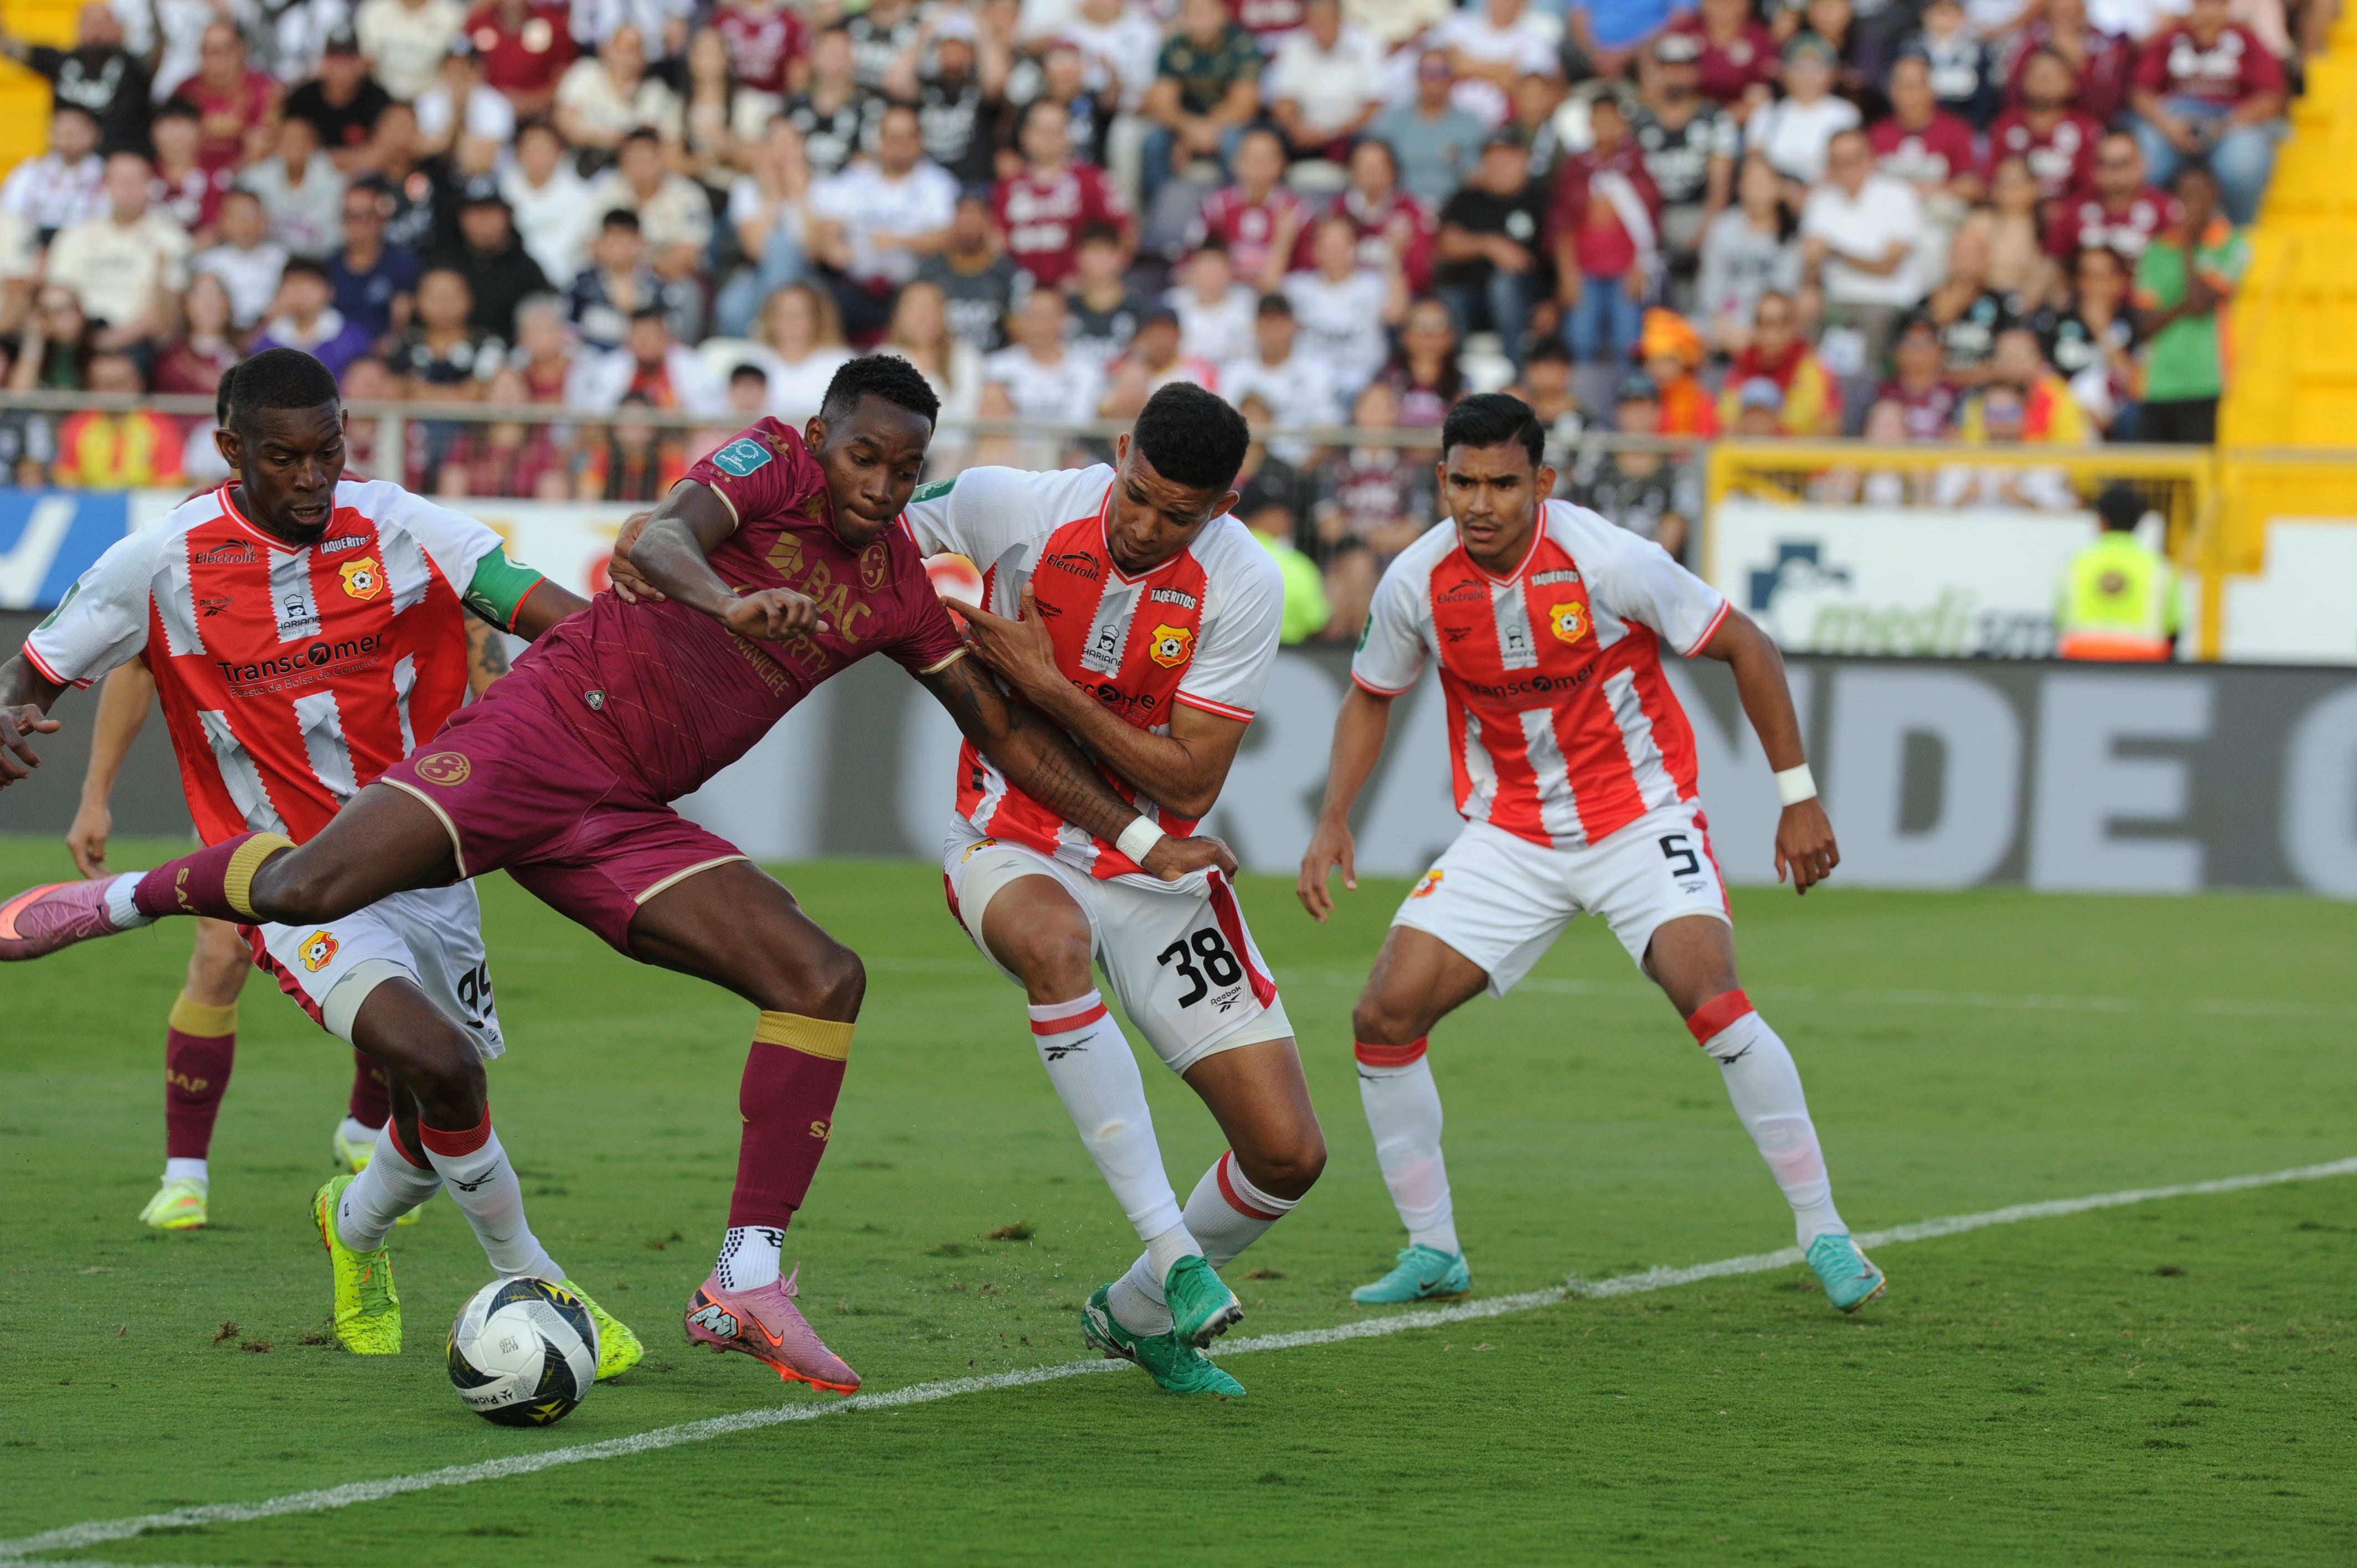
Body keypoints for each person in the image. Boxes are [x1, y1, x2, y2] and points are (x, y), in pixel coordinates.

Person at [0, 355, 1236, 1395]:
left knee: (819, 975)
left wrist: (1136, 841)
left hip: (623, 810)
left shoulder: (900, 586)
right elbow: (660, 537)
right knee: (316, 890)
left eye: (905, 471)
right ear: (823, 439)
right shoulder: (769, 461)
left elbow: (1005, 735)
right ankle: (110, 905)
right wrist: (726, 605)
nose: (879, 487)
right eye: (864, 457)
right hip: (542, 733)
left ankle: (743, 1277)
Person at [0, 348, 645, 1374]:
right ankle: (542, 1284)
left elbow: (539, 608)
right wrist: (10, 717)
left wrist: (640, 650)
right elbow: (35, 668)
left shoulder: (404, 525)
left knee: (434, 1114)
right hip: (290, 880)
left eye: (328, 452)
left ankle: (351, 1223)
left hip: (431, 861)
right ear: (229, 450)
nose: (312, 479)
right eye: (284, 457)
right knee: (441, 1063)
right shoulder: (161, 560)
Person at [1295, 391, 1883, 1315]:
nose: (1480, 503)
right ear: (1439, 479)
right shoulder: (1417, 579)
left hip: (1640, 819)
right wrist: (1333, 814)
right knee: (1383, 1014)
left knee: (1714, 999)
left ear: (1543, 483)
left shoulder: (1610, 559)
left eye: (1502, 484)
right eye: (1462, 483)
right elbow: (1372, 692)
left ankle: (1824, 1230)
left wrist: (1797, 797)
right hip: (1511, 835)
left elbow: (1747, 645)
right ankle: (1432, 1247)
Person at [909, 383, 1316, 1399]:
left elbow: (1188, 778)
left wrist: (1044, 684)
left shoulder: (1243, 582)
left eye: (1177, 514)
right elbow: (870, 515)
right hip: (1012, 840)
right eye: (1136, 494)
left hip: (1157, 870)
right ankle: (1175, 1254)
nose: (1144, 526)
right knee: (1052, 945)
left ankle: (1133, 1312)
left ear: (1221, 506)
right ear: (1120, 451)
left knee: (1287, 1155)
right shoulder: (1014, 504)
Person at [806, 102, 958, 339]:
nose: (899, 145)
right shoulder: (856, 178)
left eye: (907, 137)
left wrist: (900, 241)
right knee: (819, 299)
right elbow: (829, 225)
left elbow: (945, 238)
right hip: (855, 283)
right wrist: (834, 245)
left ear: (920, 142)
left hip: (909, 286)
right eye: (892, 137)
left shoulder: (937, 183)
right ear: (880, 141)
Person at [2128, 0, 2286, 225]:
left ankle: (2239, 232)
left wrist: (2226, 126)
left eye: (2216, 5)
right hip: (2172, 119)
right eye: (2201, 5)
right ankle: (2151, 232)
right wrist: (2168, 125)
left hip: (2231, 122)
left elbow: (2272, 97)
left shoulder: (2246, 40)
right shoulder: (2169, 38)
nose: (2208, 12)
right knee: (2143, 162)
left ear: (2227, 9)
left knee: (2242, 165)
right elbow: (2139, 91)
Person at [1799, 127, 1929, 378]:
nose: (1846, 168)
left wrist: (1834, 251)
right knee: (1801, 317)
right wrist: (1810, 288)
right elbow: (1811, 258)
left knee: (1868, 352)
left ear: (1871, 159)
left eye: (1853, 159)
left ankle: (1864, 401)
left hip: (1887, 300)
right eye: (1838, 162)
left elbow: (1887, 267)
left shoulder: (1897, 196)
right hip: (1835, 300)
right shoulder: (1821, 200)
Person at [2132, 163, 2245, 444]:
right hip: (2157, 382)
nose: (2192, 203)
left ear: (2214, 196)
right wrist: (2182, 306)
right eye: (2185, 195)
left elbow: (2198, 305)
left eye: (2198, 194)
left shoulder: (2232, 244)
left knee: (2198, 476)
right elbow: (2145, 324)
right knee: (2155, 482)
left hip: (2205, 379)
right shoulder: (2157, 250)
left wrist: (2188, 244)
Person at [47, 152, 193, 353]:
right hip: (78, 336)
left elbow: (169, 313)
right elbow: (58, 294)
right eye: (120, 181)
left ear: (150, 186)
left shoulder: (172, 239)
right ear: (105, 187)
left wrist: (114, 340)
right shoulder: (74, 235)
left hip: (142, 341)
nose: (128, 189)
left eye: (135, 181)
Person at [1550, 101, 1660, 368]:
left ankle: (1631, 401)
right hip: (1584, 273)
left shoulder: (1636, 165)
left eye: (1613, 121)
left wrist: (1641, 268)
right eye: (1600, 121)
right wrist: (1567, 274)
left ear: (1624, 126)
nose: (1607, 128)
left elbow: (1649, 222)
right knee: (1579, 342)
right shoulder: (1576, 167)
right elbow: (1561, 225)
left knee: (1629, 344)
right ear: (1589, 126)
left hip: (1626, 272)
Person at [1435, 128, 1549, 370]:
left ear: (1524, 160)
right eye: (1492, 159)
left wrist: (1553, 304)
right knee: (1446, 300)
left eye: (1506, 158)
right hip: (1471, 295)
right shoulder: (1467, 198)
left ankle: (1513, 373)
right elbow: (1446, 244)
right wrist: (1490, 245)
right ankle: (1456, 377)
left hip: (1524, 297)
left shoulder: (1541, 200)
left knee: (1503, 285)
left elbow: (1558, 256)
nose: (1498, 166)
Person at [993, 98, 1132, 290]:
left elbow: (1125, 235)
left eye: (1057, 130)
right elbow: (996, 245)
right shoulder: (1006, 189)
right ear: (1026, 135)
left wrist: (1096, 281)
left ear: (1070, 135)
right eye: (1042, 130)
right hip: (1022, 298)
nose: (1049, 138)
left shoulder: (1094, 182)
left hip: (1081, 295)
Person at [1632, 33, 1739, 275]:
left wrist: (1699, 238)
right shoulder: (1638, 120)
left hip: (1697, 212)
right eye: (1669, 68)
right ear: (1657, 72)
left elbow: (1719, 191)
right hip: (1651, 216)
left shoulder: (1715, 119)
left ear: (1696, 72)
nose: (1676, 76)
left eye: (1683, 68)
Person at [1140, 0, 1263, 208]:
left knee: (1234, 143)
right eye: (1194, 13)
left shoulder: (1243, 45)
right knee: (1153, 143)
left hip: (1229, 123)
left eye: (1208, 13)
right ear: (1184, 18)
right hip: (1185, 124)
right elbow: (1161, 103)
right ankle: (1159, 214)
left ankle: (1233, 212)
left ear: (1223, 15)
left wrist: (1201, 133)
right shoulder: (1173, 46)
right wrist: (1190, 131)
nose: (1201, 21)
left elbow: (1244, 105)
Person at [1569, 371, 1699, 557]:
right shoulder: (1594, 466)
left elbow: (1669, 544)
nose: (1638, 415)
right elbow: (1582, 527)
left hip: (1654, 575)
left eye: (1645, 407)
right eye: (1630, 407)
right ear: (1618, 412)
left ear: (1658, 412)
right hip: (1600, 569)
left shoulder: (1677, 472)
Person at [1, 3, 154, 160]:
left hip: (116, 166)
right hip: (66, 162)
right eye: (90, 23)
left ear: (120, 30)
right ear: (78, 28)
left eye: (103, 24)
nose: (96, 32)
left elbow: (159, 54)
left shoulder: (136, 69)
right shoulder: (60, 62)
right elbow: (8, 46)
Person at [1283, 212, 1402, 402]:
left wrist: (1394, 255)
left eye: (1342, 245)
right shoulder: (1299, 287)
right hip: (1311, 391)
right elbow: (1266, 294)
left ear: (1355, 248)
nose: (1334, 253)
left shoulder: (1373, 284)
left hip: (1365, 388)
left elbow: (1396, 314)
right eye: (1327, 245)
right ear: (1314, 249)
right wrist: (1283, 240)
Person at [2057, 483, 2180, 659]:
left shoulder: (2074, 565)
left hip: (2082, 665)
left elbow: (2060, 623)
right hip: (2143, 667)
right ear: (2139, 520)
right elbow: (2174, 629)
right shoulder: (2160, 568)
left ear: (2101, 520)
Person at [1219, 293, 1341, 463]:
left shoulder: (1317, 371)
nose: (1273, 332)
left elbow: (1329, 431)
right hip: (1248, 471)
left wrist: (1299, 475)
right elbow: (1224, 432)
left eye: (1279, 323)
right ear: (1255, 327)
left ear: (1293, 325)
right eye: (1267, 323)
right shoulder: (1235, 373)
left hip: (1301, 471)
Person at [1266, 0, 1386, 161]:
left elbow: (1373, 107)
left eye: (1328, 22)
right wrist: (1298, 128)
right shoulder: (1293, 45)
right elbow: (1283, 103)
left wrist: (1331, 133)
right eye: (1317, 22)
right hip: (1304, 133)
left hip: (1351, 133)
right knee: (1266, 143)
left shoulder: (1367, 44)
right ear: (1307, 22)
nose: (1322, 30)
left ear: (1341, 20)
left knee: (1372, 147)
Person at [1367, 51, 1489, 207]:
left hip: (1454, 208)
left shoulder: (1471, 124)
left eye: (1441, 73)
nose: (1433, 80)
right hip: (1399, 207)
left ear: (1452, 79)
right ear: (1416, 79)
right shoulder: (1391, 121)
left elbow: (1479, 175)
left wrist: (1461, 164)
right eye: (1427, 73)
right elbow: (1375, 167)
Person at [434, 180, 551, 341]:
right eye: (475, 213)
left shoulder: (527, 271)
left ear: (507, 217)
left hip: (510, 359)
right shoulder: (443, 263)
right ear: (460, 219)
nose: (483, 222)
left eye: (491, 212)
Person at [1987, 49, 2103, 205]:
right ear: (2023, 81)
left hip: (2068, 216)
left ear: (2072, 84)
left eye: (2052, 76)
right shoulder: (2005, 124)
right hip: (2014, 212)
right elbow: (1990, 180)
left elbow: (2094, 186)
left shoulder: (2087, 130)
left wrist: (2065, 213)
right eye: (2037, 75)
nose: (2044, 81)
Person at [1717, 289, 1841, 434]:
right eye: (1762, 323)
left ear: (1793, 327)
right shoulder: (1740, 369)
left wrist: (1782, 439)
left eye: (1779, 324)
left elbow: (1830, 430)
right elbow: (1723, 427)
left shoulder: (1816, 371)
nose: (1770, 335)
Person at [985, 285, 1104, 423]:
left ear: (1064, 319)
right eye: (1032, 316)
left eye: (1047, 317)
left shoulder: (1088, 371)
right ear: (1020, 320)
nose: (1039, 326)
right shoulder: (996, 368)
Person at [918, 193, 1020, 355]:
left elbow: (1018, 335)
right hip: (941, 363)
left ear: (989, 222)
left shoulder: (1008, 274)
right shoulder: (930, 272)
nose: (968, 226)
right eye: (963, 217)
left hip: (993, 362)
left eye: (975, 218)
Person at [2051, 131, 2174, 265]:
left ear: (2141, 165)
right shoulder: (2074, 209)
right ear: (2093, 169)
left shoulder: (2164, 209)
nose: (2113, 171)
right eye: (2104, 163)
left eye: (2122, 163)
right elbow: (2055, 263)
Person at [284, 29, 394, 173]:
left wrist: (327, 159)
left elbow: (386, 152)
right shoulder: (302, 99)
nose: (342, 68)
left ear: (361, 62)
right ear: (324, 62)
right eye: (336, 59)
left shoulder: (378, 98)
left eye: (348, 60)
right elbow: (291, 149)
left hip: (365, 178)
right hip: (312, 179)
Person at [238, 112, 345, 259]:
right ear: (276, 144)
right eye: (286, 139)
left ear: (314, 145)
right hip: (265, 261)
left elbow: (338, 238)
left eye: (300, 139)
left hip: (319, 261)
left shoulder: (337, 184)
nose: (294, 145)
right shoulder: (253, 179)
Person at [253, 256, 377, 374]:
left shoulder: (352, 339)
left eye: (306, 285)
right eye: (291, 285)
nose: (298, 293)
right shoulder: (267, 339)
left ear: (329, 291)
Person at [0, 106, 106, 244]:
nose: (68, 138)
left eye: (75, 132)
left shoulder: (107, 174)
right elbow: (9, 214)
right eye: (61, 130)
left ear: (94, 134)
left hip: (87, 247)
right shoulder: (29, 171)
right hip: (31, 247)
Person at [331, 182, 419, 342]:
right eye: (351, 216)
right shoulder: (329, 265)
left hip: (384, 352)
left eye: (366, 216)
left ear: (381, 219)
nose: (358, 224)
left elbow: (403, 324)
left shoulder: (403, 264)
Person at [192, 188, 290, 331]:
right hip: (223, 338)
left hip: (270, 339)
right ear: (223, 221)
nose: (243, 225)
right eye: (236, 216)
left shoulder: (283, 260)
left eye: (250, 216)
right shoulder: (206, 263)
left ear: (264, 221)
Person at [465, 0, 580, 118]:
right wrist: (495, 104)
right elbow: (462, 73)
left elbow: (567, 79)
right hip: (486, 115)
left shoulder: (553, 24)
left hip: (541, 116)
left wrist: (529, 103)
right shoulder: (478, 24)